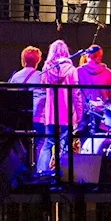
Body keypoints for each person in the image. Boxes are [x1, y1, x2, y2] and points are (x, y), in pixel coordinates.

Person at [36, 40, 81, 174]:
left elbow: (43, 87)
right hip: (67, 112)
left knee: (48, 143)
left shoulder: (47, 69)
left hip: (51, 113)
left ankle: (41, 172)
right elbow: (76, 93)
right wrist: (79, 112)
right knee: (65, 144)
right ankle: (63, 173)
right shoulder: (71, 70)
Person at [9, 46, 46, 128]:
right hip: (39, 114)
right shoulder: (42, 76)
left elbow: (11, 96)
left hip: (22, 115)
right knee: (41, 138)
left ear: (23, 59)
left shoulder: (16, 76)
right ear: (38, 60)